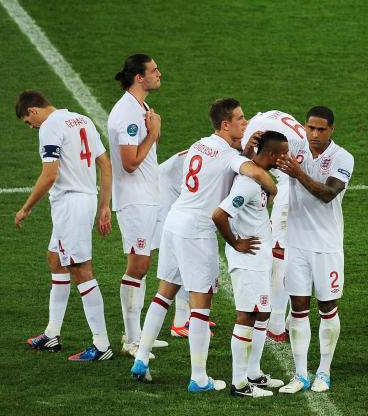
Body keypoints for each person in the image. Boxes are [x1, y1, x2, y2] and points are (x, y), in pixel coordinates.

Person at [130, 98, 277, 393]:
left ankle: (142, 358)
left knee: (164, 293)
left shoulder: (201, 145)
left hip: (174, 222)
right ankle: (199, 378)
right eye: (240, 118)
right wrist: (273, 188)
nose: (245, 123)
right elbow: (257, 173)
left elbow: (230, 161)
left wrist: (244, 150)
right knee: (201, 305)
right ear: (226, 124)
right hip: (197, 231)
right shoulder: (229, 156)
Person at [16, 90, 113, 361]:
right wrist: (104, 205)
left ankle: (102, 345)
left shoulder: (49, 127)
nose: (30, 126)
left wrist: (26, 207)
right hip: (82, 200)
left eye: (27, 121)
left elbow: (50, 174)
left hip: (71, 205)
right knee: (55, 260)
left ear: (33, 111)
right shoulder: (81, 120)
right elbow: (105, 164)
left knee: (81, 270)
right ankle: (52, 334)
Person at [276, 106, 354, 394]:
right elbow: (260, 157)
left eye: (321, 129)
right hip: (296, 244)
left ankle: (324, 371)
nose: (315, 134)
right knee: (297, 309)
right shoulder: (294, 148)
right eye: (310, 128)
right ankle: (299, 374)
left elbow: (327, 194)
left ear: (331, 130)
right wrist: (252, 141)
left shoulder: (342, 158)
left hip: (326, 247)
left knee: (327, 308)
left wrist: (297, 174)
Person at [213, 130, 289, 398]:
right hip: (247, 260)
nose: (286, 158)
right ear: (272, 155)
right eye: (284, 153)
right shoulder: (248, 184)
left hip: (259, 258)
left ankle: (254, 373)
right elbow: (219, 215)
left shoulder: (261, 176)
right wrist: (236, 243)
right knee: (247, 315)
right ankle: (239, 383)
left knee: (262, 313)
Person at [107, 54, 166, 357]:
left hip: (148, 196)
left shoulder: (140, 107)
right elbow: (129, 163)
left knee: (143, 265)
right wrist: (154, 133)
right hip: (135, 199)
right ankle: (131, 339)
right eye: (154, 71)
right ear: (139, 78)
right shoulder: (127, 113)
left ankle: (139, 333)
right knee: (138, 266)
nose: (159, 74)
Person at [241, 110, 307, 341]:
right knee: (301, 253)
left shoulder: (253, 132)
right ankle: (291, 320)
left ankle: (276, 325)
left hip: (293, 187)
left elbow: (249, 166)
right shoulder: (272, 117)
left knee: (280, 256)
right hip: (311, 178)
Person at [153, 151, 216, 338]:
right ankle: (180, 322)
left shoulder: (216, 146)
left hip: (175, 188)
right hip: (167, 192)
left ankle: (193, 315)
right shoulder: (227, 153)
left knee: (187, 256)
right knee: (184, 258)